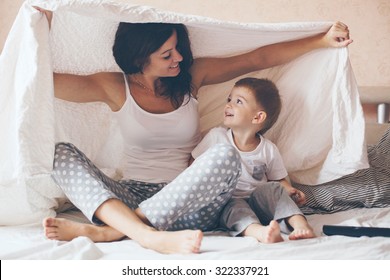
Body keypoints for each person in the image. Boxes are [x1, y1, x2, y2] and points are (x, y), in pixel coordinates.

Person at [35, 7, 351, 254]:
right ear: (140, 57)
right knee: (59, 154)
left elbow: (257, 58)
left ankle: (114, 231)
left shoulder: (191, 77)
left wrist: (321, 40)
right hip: (131, 196)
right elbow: (39, 78)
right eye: (167, 54)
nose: (180, 58)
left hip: (191, 204)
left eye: (179, 48)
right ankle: (146, 235)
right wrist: (40, 22)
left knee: (225, 155)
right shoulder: (114, 86)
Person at [192, 78, 315, 243]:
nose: (228, 105)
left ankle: (301, 225)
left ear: (257, 117)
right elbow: (193, 166)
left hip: (260, 204)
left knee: (273, 189)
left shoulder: (268, 149)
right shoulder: (217, 137)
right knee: (234, 207)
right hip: (229, 200)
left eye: (238, 101)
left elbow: (278, 180)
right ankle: (260, 232)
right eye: (229, 99)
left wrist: (289, 190)